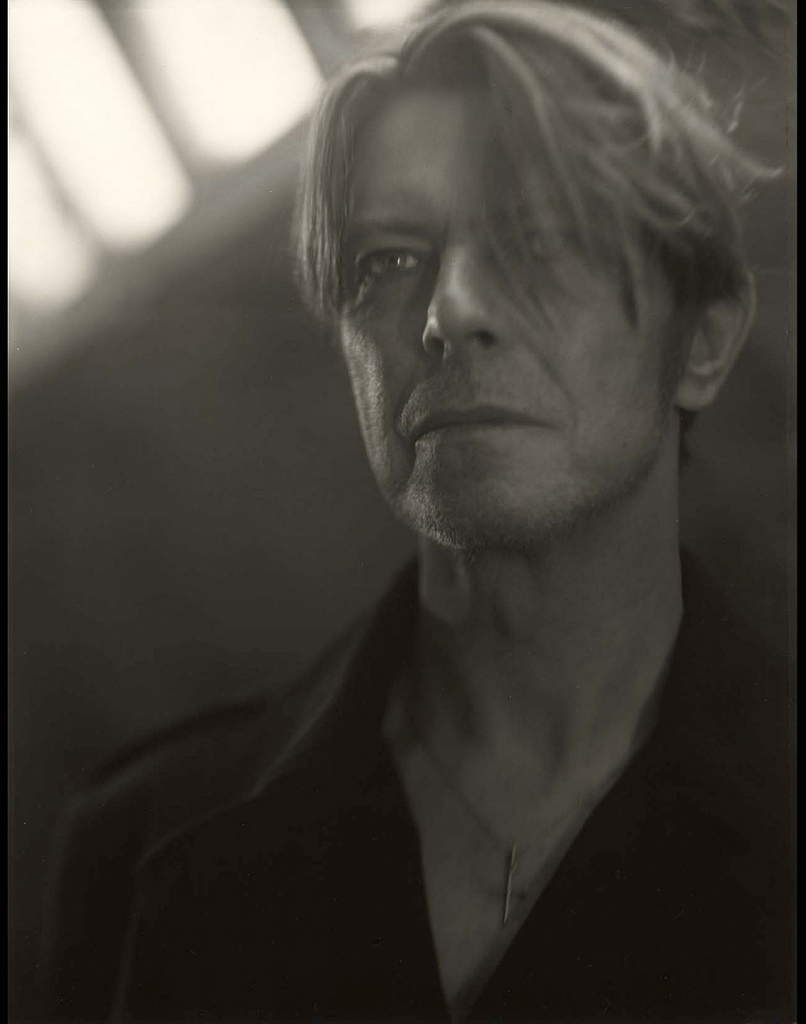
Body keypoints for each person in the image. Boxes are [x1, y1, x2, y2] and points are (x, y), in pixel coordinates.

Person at [42, 2, 793, 1021]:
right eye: (387, 261)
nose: (450, 311)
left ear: (701, 338)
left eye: (542, 238)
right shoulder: (137, 842)